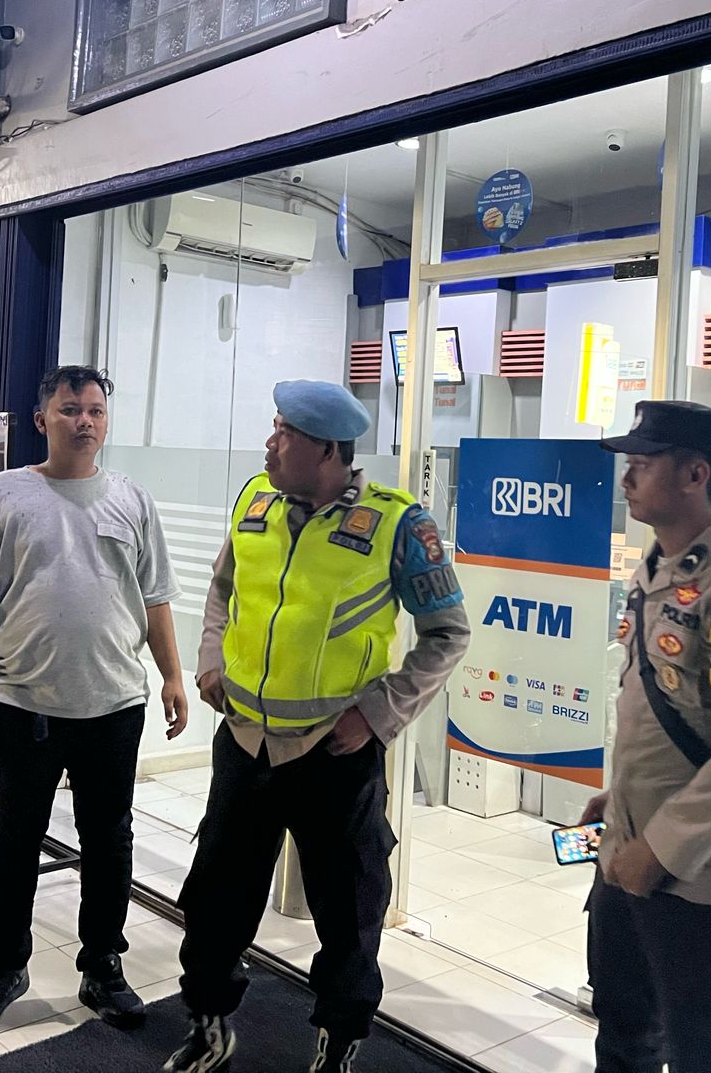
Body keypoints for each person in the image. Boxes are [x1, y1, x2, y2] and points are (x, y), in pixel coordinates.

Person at [163, 380, 470, 1073]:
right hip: (244, 744)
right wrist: (210, 658)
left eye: (285, 434)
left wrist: (379, 714)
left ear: (329, 451)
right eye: (274, 428)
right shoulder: (256, 499)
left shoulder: (397, 525)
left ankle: (338, 1042)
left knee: (349, 914)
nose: (270, 444)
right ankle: (209, 1025)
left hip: (333, 754)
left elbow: (447, 633)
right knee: (215, 900)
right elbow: (222, 590)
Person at [0, 365, 189, 1031]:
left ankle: (103, 967)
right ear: (43, 420)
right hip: (23, 703)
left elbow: (155, 597)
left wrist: (173, 676)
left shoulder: (132, 500)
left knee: (109, 841)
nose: (84, 421)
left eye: (95, 410)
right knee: (14, 841)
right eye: (70, 409)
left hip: (113, 704)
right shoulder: (2, 496)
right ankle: (5, 968)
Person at [579, 400, 711, 1073]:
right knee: (622, 1033)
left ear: (696, 474)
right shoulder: (655, 571)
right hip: (624, 855)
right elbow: (665, 713)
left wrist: (660, 850)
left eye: (643, 464)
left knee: (706, 1051)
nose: (627, 478)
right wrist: (618, 799)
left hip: (690, 876)